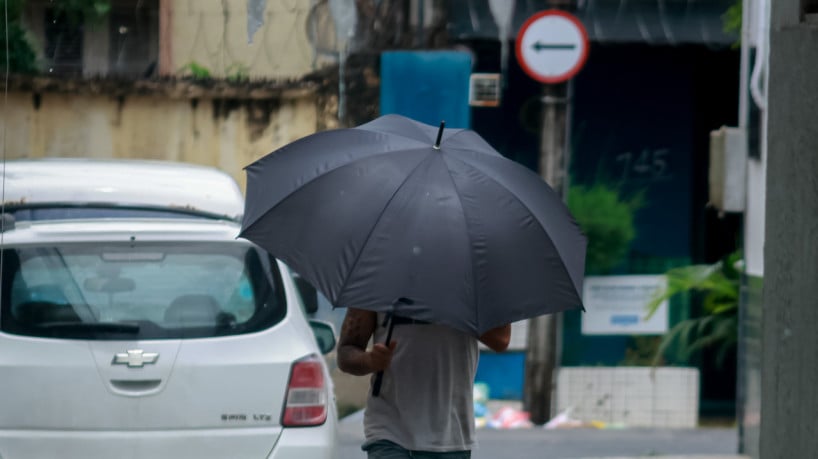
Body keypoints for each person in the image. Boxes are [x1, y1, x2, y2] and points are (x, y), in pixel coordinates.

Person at [337, 307, 511, 459]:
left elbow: (501, 340)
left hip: (452, 436)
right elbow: (347, 350)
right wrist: (369, 361)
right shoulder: (376, 281)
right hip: (389, 432)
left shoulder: (472, 284)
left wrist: (455, 302)